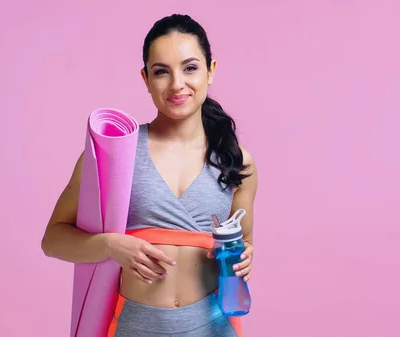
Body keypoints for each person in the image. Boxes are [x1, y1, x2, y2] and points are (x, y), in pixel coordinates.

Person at [41, 13, 257, 337]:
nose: (177, 84)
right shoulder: (114, 156)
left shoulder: (237, 162)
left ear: (210, 71)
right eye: (161, 72)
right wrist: (111, 245)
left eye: (190, 68)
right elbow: (53, 240)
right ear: (145, 79)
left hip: (214, 328)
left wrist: (245, 255)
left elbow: (245, 243)